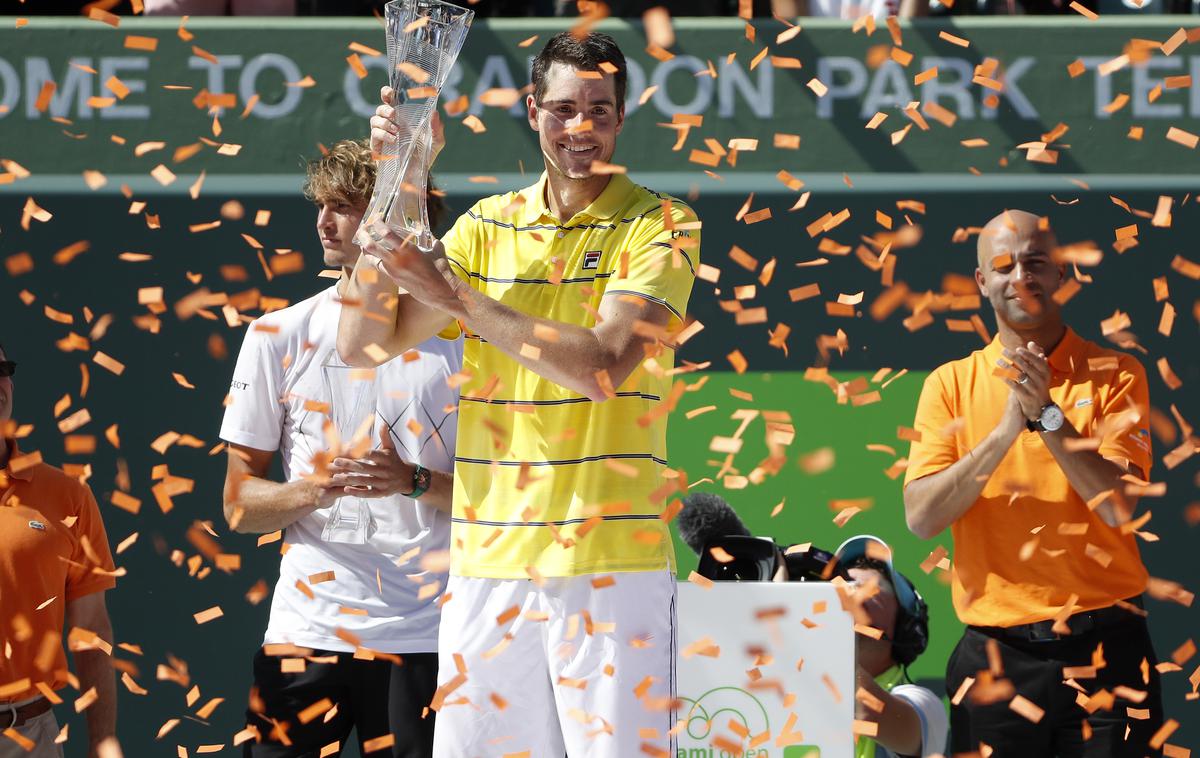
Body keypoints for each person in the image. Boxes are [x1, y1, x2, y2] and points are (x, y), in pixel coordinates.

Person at [340, 31, 699, 757]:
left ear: (622, 117)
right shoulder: (484, 227)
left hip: (610, 569)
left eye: (600, 110)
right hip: (488, 568)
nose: (581, 129)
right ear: (533, 110)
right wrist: (398, 179)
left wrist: (460, 299)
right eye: (564, 109)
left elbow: (603, 367)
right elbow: (364, 342)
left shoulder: (663, 224)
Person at [220, 140, 460, 757]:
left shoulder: (463, 338)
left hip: (425, 638)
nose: (325, 222)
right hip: (305, 632)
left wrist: (410, 481)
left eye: (348, 207)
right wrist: (315, 489)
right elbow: (240, 507)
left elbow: (500, 500)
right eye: (322, 205)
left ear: (399, 218)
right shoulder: (276, 334)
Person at [903, 210, 1163, 755]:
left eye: (1036, 262)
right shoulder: (950, 384)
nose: (1020, 276)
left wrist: (1047, 415)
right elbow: (922, 517)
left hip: (1108, 654)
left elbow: (1122, 510)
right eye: (1003, 264)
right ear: (981, 283)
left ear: (1061, 275)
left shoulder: (1116, 373)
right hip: (995, 659)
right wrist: (1004, 431)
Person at [0, 343, 119, 758]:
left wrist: (104, 740)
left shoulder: (67, 495)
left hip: (32, 737)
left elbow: (92, 629)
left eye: (2, 368)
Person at [835, 535, 947, 758]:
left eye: (868, 590)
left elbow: (868, 712)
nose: (850, 598)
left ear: (904, 625)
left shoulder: (923, 703)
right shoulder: (798, 687)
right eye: (842, 587)